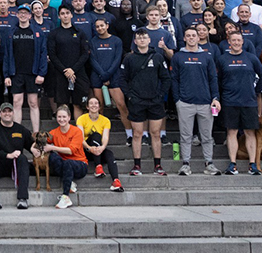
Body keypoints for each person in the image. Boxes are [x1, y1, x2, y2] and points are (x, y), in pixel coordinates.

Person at [118, 28, 171, 175]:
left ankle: (158, 166)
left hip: (155, 101)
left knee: (155, 133)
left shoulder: (158, 57)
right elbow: (122, 79)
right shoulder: (129, 58)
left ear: (149, 40)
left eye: (144, 37)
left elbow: (166, 78)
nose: (142, 40)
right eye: (139, 38)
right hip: (136, 101)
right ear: (135, 41)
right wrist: (129, 95)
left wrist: (160, 95)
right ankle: (137, 166)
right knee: (137, 134)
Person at [170, 24, 221, 176]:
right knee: (185, 136)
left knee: (207, 136)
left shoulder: (206, 56)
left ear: (199, 38)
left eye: (194, 35)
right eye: (189, 36)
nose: (191, 38)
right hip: (185, 102)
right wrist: (177, 100)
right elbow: (174, 80)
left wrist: (215, 98)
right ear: (184, 38)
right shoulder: (178, 56)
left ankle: (209, 163)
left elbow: (213, 79)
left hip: (205, 102)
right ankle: (185, 164)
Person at [217, 29, 262, 175]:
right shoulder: (222, 59)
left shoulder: (251, 58)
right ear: (229, 42)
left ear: (243, 42)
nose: (236, 43)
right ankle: (232, 164)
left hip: (249, 102)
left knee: (250, 132)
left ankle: (252, 165)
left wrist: (255, 91)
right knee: (231, 132)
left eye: (239, 40)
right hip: (230, 101)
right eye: (233, 40)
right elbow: (218, 80)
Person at [2, 3, 46, 133]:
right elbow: (7, 55)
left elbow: (43, 53)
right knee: (16, 102)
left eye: (25, 13)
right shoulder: (11, 33)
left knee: (33, 103)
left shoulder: (37, 32)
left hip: (33, 73)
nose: (23, 15)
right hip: (16, 73)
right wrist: (6, 75)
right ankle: (17, 132)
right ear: (17, 15)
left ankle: (36, 133)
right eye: (20, 13)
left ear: (30, 15)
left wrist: (42, 73)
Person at [0, 102, 32, 210]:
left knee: (23, 158)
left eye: (9, 111)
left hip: (15, 168)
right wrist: (6, 155)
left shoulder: (20, 129)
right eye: (4, 111)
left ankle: (22, 199)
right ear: (0, 114)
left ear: (13, 113)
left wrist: (39, 151)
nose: (7, 114)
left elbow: (31, 145)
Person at [36, 104, 88, 208]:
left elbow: (71, 151)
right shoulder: (54, 132)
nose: (61, 119)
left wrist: (53, 147)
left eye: (64, 117)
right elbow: (40, 141)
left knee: (67, 162)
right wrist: (34, 148)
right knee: (51, 157)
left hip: (80, 165)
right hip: (64, 165)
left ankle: (66, 197)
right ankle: (69, 182)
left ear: (69, 117)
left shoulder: (76, 131)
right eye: (59, 117)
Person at [76, 96, 123, 192]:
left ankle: (116, 181)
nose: (94, 105)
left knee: (109, 154)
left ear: (99, 106)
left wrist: (102, 148)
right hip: (86, 150)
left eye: (96, 103)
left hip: (98, 149)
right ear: (87, 107)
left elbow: (105, 137)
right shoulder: (81, 119)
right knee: (96, 135)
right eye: (91, 103)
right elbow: (80, 138)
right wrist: (89, 148)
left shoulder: (105, 120)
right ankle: (98, 166)